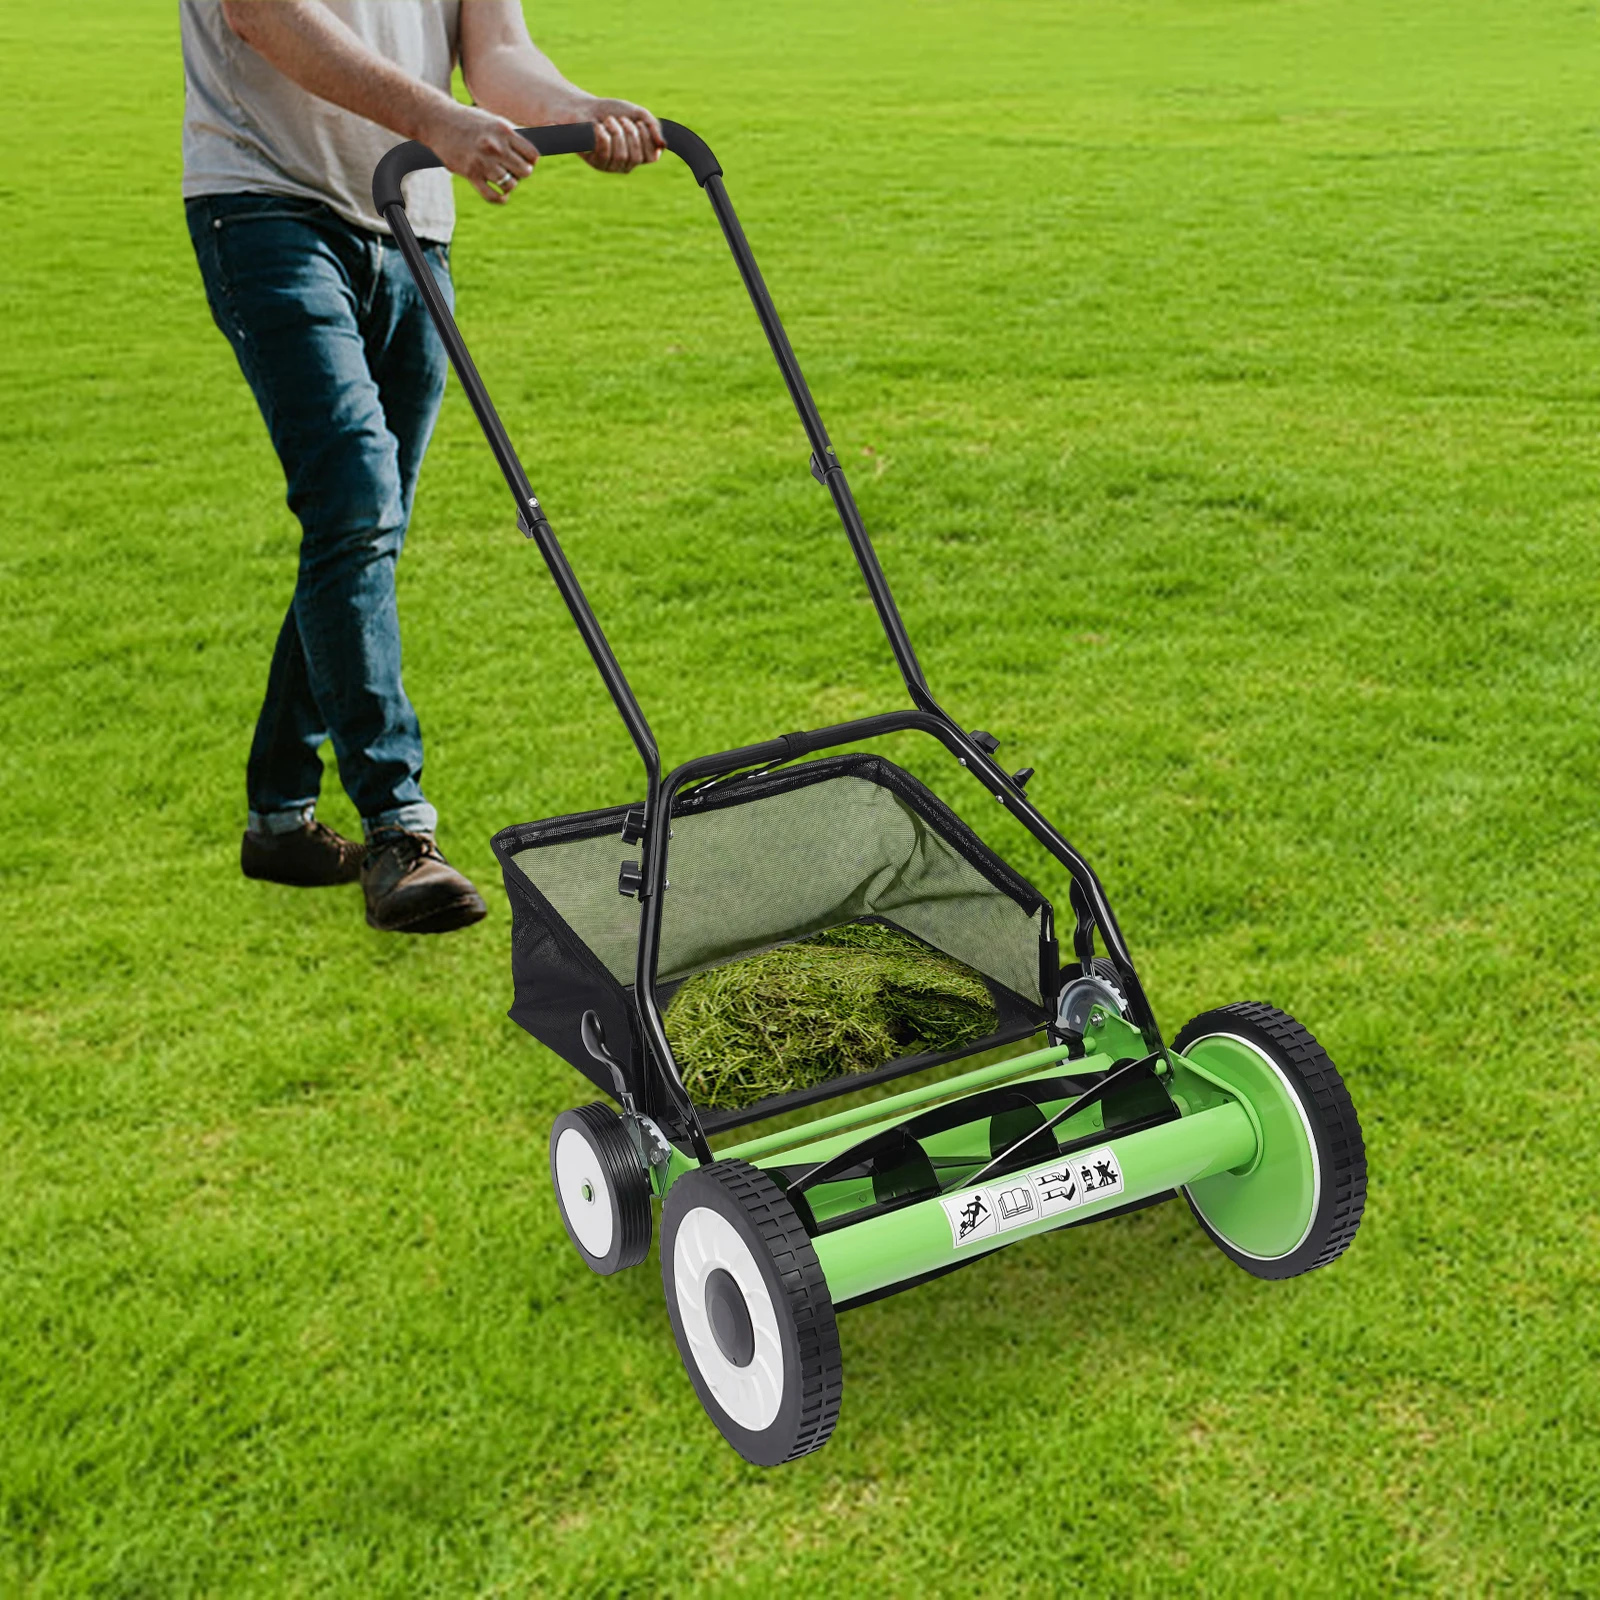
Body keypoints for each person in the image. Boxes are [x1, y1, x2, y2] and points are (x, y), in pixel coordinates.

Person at [181, 1, 662, 933]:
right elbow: (261, 14)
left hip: (410, 220)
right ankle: (399, 830)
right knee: (357, 501)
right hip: (266, 200)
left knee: (361, 527)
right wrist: (437, 120)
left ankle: (279, 818)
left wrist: (579, 110)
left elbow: (498, 51)